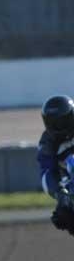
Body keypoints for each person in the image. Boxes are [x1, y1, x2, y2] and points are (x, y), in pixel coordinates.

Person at [37, 95, 74, 234]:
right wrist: (60, 194)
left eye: (63, 122)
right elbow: (46, 172)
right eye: (55, 124)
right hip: (68, 184)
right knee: (63, 216)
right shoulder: (47, 142)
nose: (59, 128)